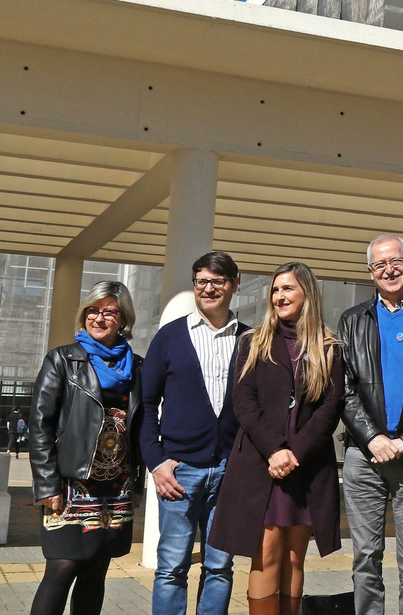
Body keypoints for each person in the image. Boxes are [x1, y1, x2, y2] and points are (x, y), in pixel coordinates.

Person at [208, 263, 345, 615]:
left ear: (307, 295)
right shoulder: (252, 342)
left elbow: (330, 409)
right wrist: (276, 450)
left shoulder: (329, 347)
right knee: (266, 550)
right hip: (261, 463)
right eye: (276, 290)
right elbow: (243, 401)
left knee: (295, 556)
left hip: (306, 465)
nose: (280, 296)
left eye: (288, 289)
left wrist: (294, 452)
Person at [141, 251, 247, 615]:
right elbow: (145, 404)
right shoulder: (169, 337)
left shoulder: (251, 341)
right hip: (179, 471)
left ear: (234, 284)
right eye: (202, 281)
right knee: (171, 568)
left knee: (220, 566)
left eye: (218, 281)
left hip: (230, 471)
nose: (209, 289)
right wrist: (156, 463)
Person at [29, 281, 143, 615]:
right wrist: (46, 484)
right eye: (92, 310)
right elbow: (40, 425)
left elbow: (142, 427)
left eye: (109, 311)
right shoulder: (62, 360)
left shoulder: (137, 366)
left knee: (96, 568)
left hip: (116, 485)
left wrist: (137, 482)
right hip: (69, 483)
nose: (98, 318)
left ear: (123, 319)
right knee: (61, 567)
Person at [339, 235, 403, 615]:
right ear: (370, 272)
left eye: (395, 261)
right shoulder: (352, 320)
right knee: (365, 557)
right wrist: (372, 437)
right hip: (364, 456)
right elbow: (343, 388)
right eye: (380, 265)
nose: (389, 270)